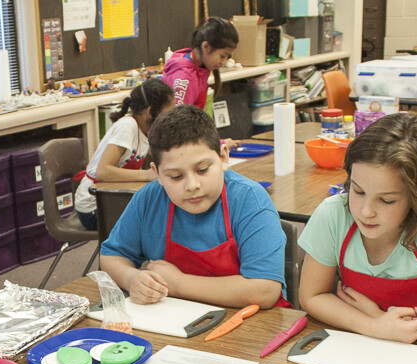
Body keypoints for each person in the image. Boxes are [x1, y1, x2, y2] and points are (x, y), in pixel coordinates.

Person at [298, 113, 417, 344]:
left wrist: (384, 320)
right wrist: (374, 325)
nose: (366, 211)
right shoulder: (334, 215)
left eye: (387, 200)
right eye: (358, 191)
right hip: (367, 346)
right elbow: (311, 296)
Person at [100, 104, 290, 309]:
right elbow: (111, 256)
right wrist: (132, 278)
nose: (192, 186)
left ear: (223, 157)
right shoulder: (149, 200)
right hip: (175, 322)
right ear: (157, 173)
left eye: (202, 170)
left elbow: (265, 291)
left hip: (251, 328)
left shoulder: (249, 201)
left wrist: (179, 284)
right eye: (176, 176)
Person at [73, 78, 175, 230]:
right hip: (94, 209)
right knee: (158, 220)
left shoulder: (145, 131)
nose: (169, 119)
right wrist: (147, 175)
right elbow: (103, 171)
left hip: (114, 200)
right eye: (167, 113)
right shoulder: (127, 126)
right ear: (149, 112)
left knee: (164, 209)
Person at [162, 17, 238, 110]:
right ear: (205, 47)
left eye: (227, 57)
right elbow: (176, 122)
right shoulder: (185, 78)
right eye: (222, 56)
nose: (224, 61)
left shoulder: (199, 67)